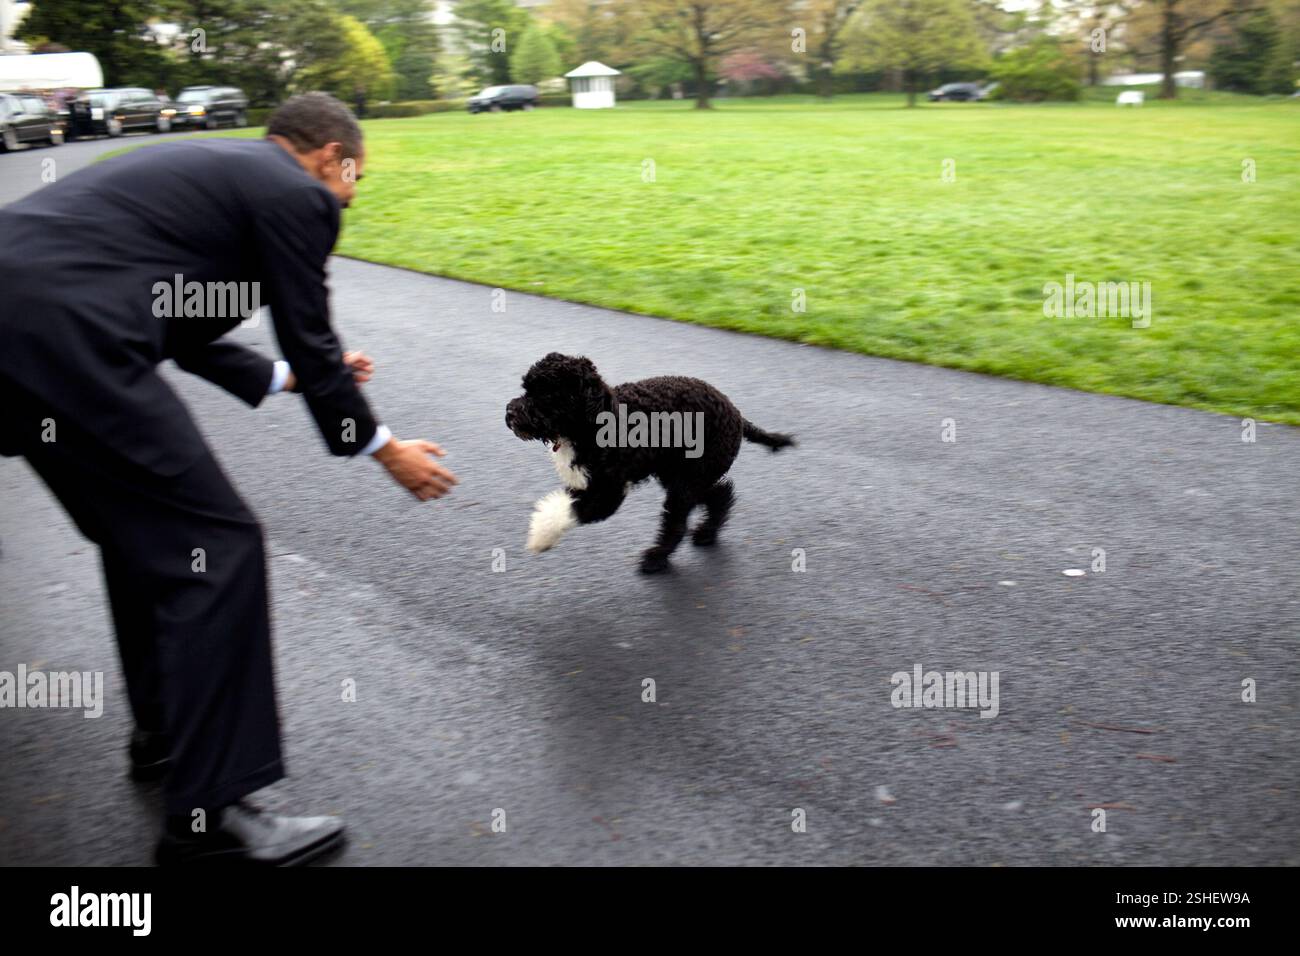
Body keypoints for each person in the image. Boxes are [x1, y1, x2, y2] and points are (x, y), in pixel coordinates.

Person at [0, 92, 457, 865]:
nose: (349, 196)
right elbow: (312, 335)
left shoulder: (222, 174)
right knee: (218, 545)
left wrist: (291, 377)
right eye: (355, 178)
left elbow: (180, 323)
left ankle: (170, 734)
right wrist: (383, 447)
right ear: (329, 157)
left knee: (141, 535)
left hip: (29, 331)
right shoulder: (299, 194)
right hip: (68, 334)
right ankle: (209, 814)